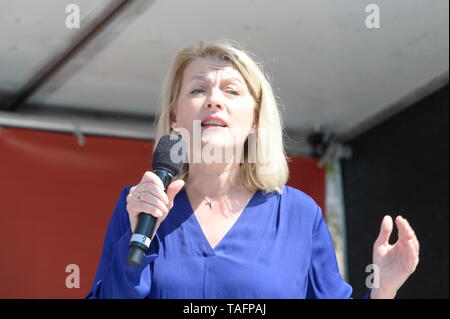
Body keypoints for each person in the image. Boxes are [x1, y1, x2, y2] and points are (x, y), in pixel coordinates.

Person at [86, 40, 419, 299]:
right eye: (198, 89)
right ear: (175, 117)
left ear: (256, 120)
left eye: (231, 91)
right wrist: (136, 236)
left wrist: (383, 289)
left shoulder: (298, 214)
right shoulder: (139, 204)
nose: (214, 100)